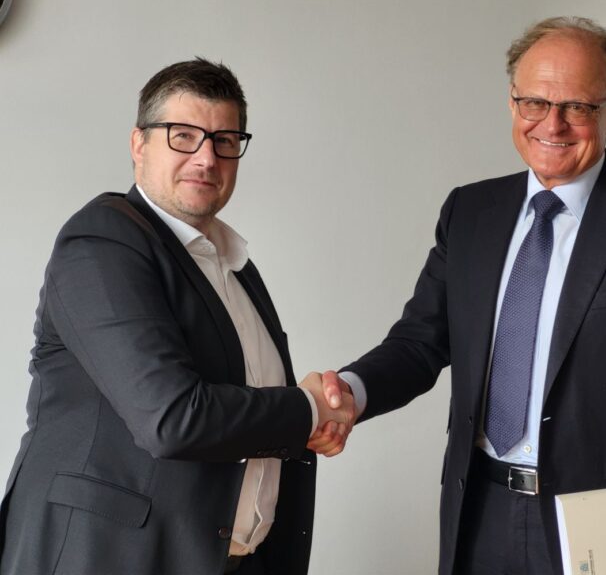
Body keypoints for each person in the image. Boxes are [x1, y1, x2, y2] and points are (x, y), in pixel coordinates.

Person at [315, 17, 606, 575]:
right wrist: (350, 392)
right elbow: (420, 342)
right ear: (512, 103)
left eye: (577, 106)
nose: (552, 124)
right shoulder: (470, 212)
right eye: (534, 103)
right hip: (479, 512)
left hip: (602, 520)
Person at [0, 58, 354, 575]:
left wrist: (307, 420)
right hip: (106, 559)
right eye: (183, 136)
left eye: (224, 140)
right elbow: (172, 419)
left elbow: (248, 410)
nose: (206, 158)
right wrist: (307, 410)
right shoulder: (101, 241)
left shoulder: (233, 266)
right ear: (139, 144)